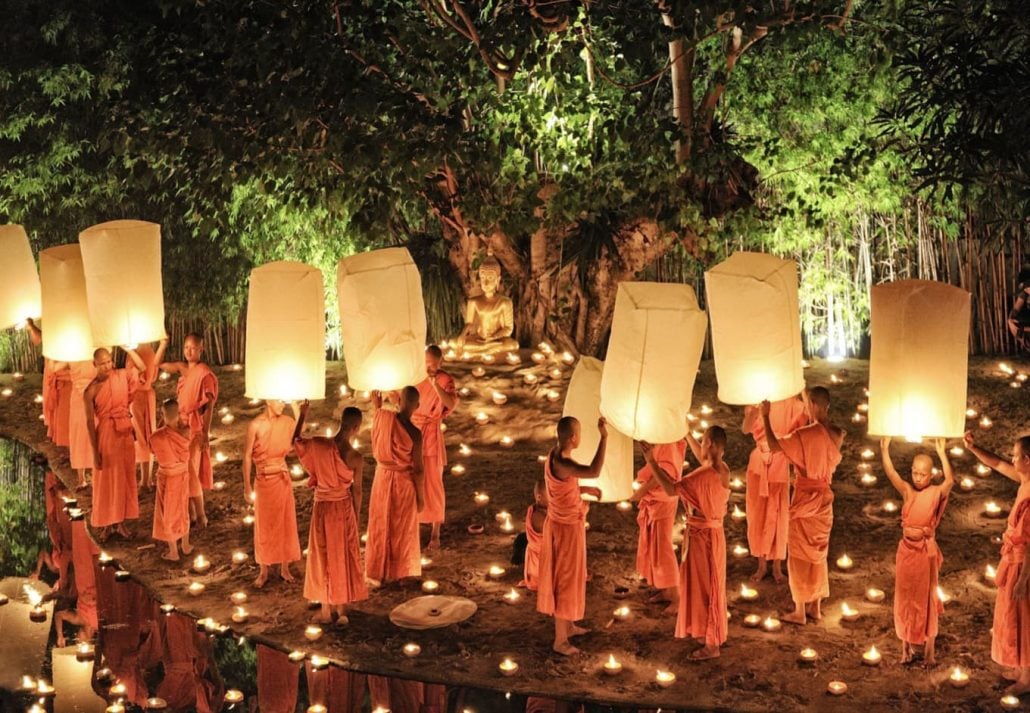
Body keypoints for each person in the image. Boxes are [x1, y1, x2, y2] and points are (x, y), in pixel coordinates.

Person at [645, 427, 730, 660]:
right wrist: (688, 434)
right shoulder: (723, 470)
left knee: (706, 588)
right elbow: (704, 460)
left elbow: (672, 489)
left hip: (703, 541)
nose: (700, 446)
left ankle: (711, 645)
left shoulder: (700, 477)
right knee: (708, 586)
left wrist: (652, 462)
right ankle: (708, 633)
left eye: (703, 442)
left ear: (710, 443)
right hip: (714, 537)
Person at [761, 387, 844, 625]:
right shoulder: (837, 434)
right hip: (824, 499)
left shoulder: (807, 434)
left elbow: (774, 445)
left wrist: (766, 416)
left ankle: (799, 610)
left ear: (816, 404)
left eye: (808, 403)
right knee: (818, 553)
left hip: (806, 496)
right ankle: (815, 606)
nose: (806, 408)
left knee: (798, 554)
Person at [965, 432, 1030, 695]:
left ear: (1028, 459)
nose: (1011, 459)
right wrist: (973, 447)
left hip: (1023, 565)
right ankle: (1020, 666)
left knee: (1025, 619)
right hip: (1013, 560)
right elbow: (998, 464)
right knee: (1012, 616)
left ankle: (1027, 678)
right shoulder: (1025, 479)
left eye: (1015, 455)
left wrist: (1024, 579)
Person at [537, 415, 607, 656]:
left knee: (572, 575)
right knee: (565, 579)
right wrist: (604, 438)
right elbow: (594, 469)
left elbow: (563, 484)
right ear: (573, 438)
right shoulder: (563, 462)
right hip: (564, 529)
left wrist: (583, 489)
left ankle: (568, 626)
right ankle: (560, 640)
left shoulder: (555, 455)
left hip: (566, 525)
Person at [293, 401, 368, 625]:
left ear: (341, 423)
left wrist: (302, 415)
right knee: (342, 554)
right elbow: (357, 491)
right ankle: (341, 610)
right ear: (356, 428)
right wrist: (355, 516)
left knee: (323, 554)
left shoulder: (319, 445)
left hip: (323, 507)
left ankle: (326, 610)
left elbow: (295, 442)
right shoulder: (356, 457)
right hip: (343, 508)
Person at [881, 437, 954, 664]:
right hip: (907, 552)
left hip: (924, 551)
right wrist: (884, 450)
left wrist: (941, 452)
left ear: (931, 474)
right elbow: (892, 474)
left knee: (926, 598)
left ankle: (929, 652)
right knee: (904, 598)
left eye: (923, 474)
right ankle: (906, 648)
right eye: (914, 473)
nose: (918, 478)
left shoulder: (934, 492)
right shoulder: (908, 492)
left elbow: (950, 481)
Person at [742, 396, 809, 583]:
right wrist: (758, 412)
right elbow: (746, 428)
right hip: (758, 464)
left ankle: (777, 566)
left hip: (779, 459)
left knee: (778, 514)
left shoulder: (793, 402)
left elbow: (807, 415)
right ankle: (761, 564)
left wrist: (801, 391)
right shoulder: (757, 398)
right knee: (757, 514)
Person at [365, 387, 424, 586]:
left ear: (399, 400)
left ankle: (378, 573)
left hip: (381, 479)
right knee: (402, 528)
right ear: (417, 406)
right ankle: (401, 573)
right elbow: (418, 470)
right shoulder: (415, 433)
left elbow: (376, 435)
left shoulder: (383, 418)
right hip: (403, 482)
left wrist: (377, 407)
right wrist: (421, 498)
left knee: (380, 524)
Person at [85, 346, 144, 541]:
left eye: (109, 361)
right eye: (102, 363)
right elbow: (89, 424)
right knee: (107, 480)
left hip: (125, 432)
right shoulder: (90, 390)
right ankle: (107, 525)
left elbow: (141, 368)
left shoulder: (120, 375)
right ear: (94, 364)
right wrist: (94, 453)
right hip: (107, 435)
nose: (107, 366)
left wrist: (128, 348)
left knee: (125, 477)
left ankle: (120, 523)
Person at [160, 334, 219, 528]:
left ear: (201, 349)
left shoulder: (205, 374)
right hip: (180, 426)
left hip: (195, 428)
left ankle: (201, 515)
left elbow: (209, 407)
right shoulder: (182, 369)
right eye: (186, 347)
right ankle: (191, 513)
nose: (189, 351)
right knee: (183, 470)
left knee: (190, 471)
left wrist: (205, 433)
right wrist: (162, 345)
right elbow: (158, 363)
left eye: (193, 348)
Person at [243, 399, 301, 588]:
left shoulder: (287, 421)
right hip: (263, 479)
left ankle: (285, 568)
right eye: (279, 401)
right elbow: (246, 456)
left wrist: (295, 406)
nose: (282, 404)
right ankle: (264, 570)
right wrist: (246, 486)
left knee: (285, 522)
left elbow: (300, 432)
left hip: (282, 478)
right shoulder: (256, 425)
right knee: (264, 525)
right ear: (268, 401)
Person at [632, 437, 686, 611]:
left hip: (663, 498)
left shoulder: (669, 439)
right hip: (657, 498)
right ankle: (666, 590)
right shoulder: (662, 434)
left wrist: (641, 491)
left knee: (663, 548)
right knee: (656, 545)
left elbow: (665, 473)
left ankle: (676, 596)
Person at [413, 345, 457, 551]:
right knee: (411, 482)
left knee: (433, 483)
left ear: (440, 363)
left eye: (434, 365)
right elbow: (399, 398)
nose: (430, 368)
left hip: (431, 436)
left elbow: (451, 403)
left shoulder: (445, 380)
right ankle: (411, 528)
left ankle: (435, 533)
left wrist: (435, 385)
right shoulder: (413, 376)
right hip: (412, 433)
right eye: (427, 364)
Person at [150, 399, 194, 561]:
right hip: (182, 475)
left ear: (162, 414)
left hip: (167, 478)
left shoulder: (156, 437)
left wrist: (164, 421)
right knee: (183, 508)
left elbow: (152, 450)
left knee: (168, 512)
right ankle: (186, 545)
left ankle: (173, 552)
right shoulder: (186, 431)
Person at [131, 338, 168, 490]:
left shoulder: (143, 352)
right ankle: (147, 478)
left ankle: (145, 479)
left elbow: (142, 374)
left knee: (143, 436)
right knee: (145, 435)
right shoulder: (147, 351)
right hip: (142, 396)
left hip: (141, 397)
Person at [69, 359, 98, 490]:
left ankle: (93, 474)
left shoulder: (93, 350)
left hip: (93, 395)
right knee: (79, 435)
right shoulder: (71, 352)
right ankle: (82, 478)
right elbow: (54, 367)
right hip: (79, 397)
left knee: (93, 432)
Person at [519, 480, 548, 591]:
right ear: (539, 497)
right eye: (552, 494)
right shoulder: (538, 517)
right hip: (542, 561)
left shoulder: (544, 509)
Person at [1007, 266, 1030, 347]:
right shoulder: (1023, 295)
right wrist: (1011, 318)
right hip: (1027, 320)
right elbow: (1016, 308)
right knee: (1011, 322)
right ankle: (1025, 343)